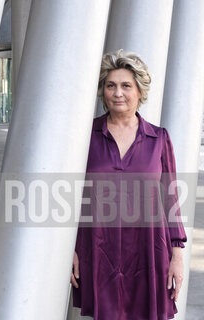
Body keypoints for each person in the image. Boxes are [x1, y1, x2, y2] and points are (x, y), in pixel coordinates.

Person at [71, 49, 187, 320]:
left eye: (126, 86)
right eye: (111, 86)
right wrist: (70, 250)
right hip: (99, 247)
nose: (118, 93)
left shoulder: (158, 139)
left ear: (139, 92)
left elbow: (171, 200)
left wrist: (177, 255)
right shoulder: (85, 136)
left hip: (148, 248)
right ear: (103, 92)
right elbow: (72, 195)